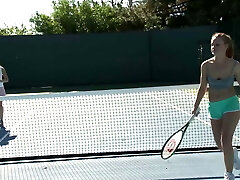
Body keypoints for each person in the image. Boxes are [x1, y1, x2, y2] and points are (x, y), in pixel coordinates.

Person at [192, 32, 240, 180]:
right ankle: (233, 154)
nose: (213, 47)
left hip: (231, 104)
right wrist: (196, 106)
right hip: (214, 107)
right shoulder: (205, 66)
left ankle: (229, 173)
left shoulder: (235, 65)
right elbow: (202, 87)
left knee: (226, 139)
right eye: (212, 44)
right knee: (221, 145)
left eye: (217, 44)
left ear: (226, 46)